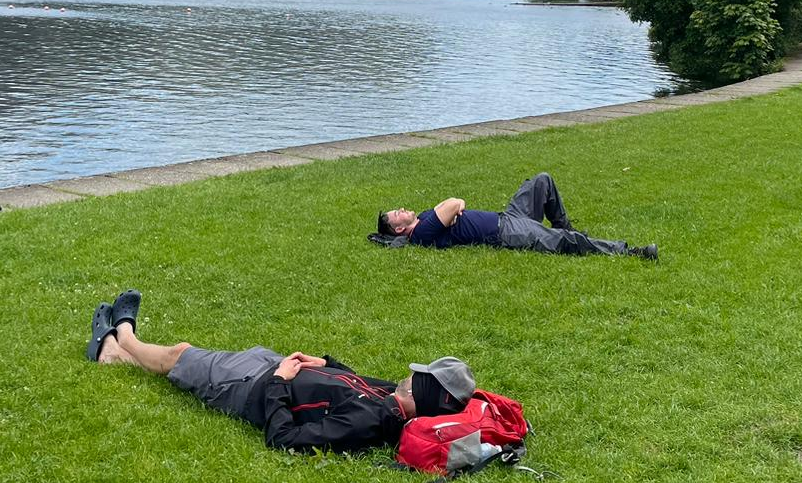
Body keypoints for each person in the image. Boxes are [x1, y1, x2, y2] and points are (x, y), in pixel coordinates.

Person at [84, 291, 473, 452]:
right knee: (186, 357)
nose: (405, 375)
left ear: (418, 391)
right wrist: (326, 364)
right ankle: (114, 356)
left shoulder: (370, 420)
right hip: (270, 366)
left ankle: (121, 334)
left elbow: (285, 438)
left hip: (250, 385)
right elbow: (353, 382)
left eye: (415, 376)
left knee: (180, 355)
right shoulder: (391, 399)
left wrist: (279, 382)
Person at [374, 172, 656, 260]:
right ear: (399, 230)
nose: (401, 209)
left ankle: (567, 229)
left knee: (541, 181)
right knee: (562, 242)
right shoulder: (421, 234)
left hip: (508, 216)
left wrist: (452, 206)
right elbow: (454, 202)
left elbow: (453, 204)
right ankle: (631, 252)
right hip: (506, 232)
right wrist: (453, 206)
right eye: (396, 214)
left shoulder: (424, 219)